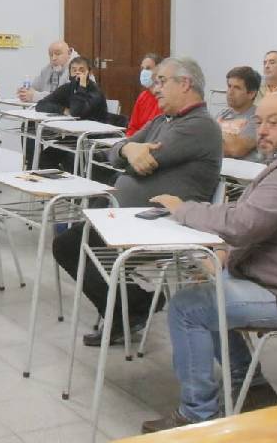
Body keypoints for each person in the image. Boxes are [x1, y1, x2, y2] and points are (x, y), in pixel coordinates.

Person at [141, 93, 277, 432]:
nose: (262, 131)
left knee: (188, 308)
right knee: (205, 289)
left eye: (274, 123)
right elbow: (249, 218)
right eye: (260, 122)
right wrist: (220, 245)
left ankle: (198, 416)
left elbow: (244, 224)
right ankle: (252, 387)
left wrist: (183, 209)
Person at [52, 57, 221, 346]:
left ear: (185, 83)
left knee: (71, 245)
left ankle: (132, 308)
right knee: (67, 243)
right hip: (131, 218)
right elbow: (115, 149)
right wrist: (129, 148)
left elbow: (145, 160)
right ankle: (131, 307)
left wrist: (130, 152)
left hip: (164, 224)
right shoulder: (162, 120)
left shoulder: (200, 126)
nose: (155, 88)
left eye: (162, 81)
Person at [34, 56, 108, 172]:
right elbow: (41, 105)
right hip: (74, 136)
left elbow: (76, 112)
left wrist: (82, 88)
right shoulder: (68, 88)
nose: (77, 73)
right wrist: (62, 109)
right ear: (69, 74)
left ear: (90, 73)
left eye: (82, 70)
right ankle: (57, 184)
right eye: (74, 70)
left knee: (71, 159)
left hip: (92, 137)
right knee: (44, 158)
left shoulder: (95, 92)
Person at [215, 66, 260, 161]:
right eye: (229, 86)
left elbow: (236, 149)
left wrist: (213, 134)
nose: (230, 92)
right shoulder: (223, 113)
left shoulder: (258, 117)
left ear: (251, 94)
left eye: (237, 88)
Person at [126, 53, 163, 136]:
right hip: (137, 141)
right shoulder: (143, 96)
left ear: (160, 70)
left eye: (148, 68)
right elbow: (133, 127)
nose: (144, 72)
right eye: (142, 68)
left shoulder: (164, 98)